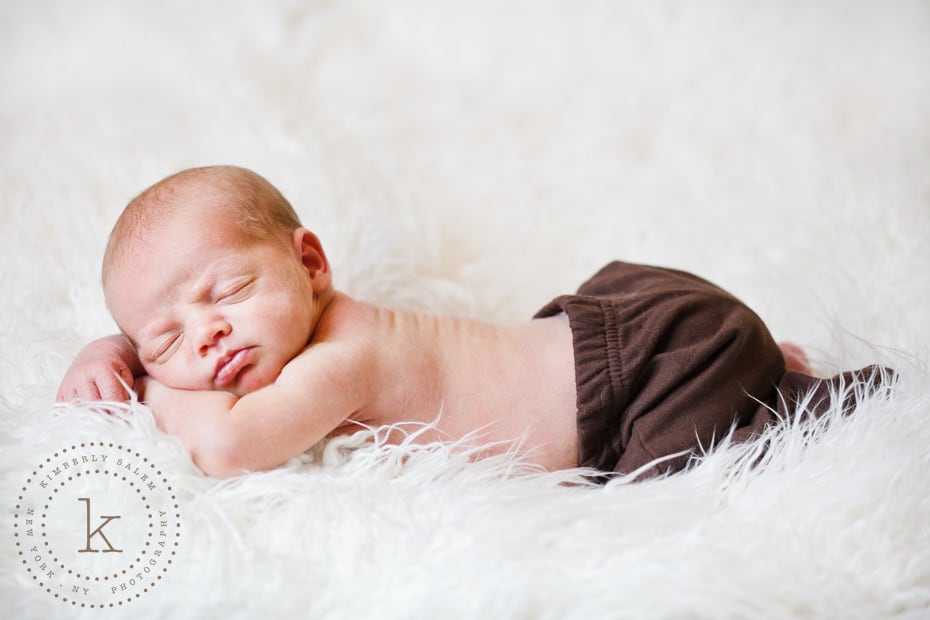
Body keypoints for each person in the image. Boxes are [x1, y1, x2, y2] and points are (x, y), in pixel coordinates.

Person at [57, 165, 886, 480]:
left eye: (227, 290)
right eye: (166, 339)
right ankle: (742, 360)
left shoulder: (341, 359)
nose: (203, 337)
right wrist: (117, 347)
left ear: (310, 266)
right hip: (618, 336)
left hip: (636, 383)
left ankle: (770, 389)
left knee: (705, 472)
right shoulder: (308, 340)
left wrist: (147, 376)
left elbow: (227, 447)